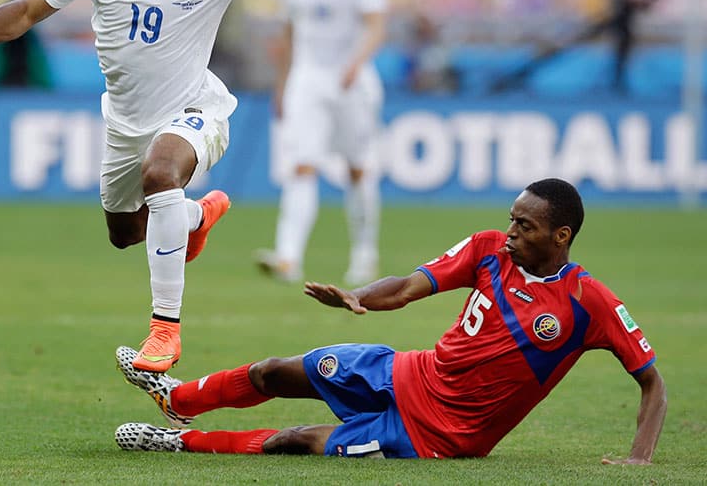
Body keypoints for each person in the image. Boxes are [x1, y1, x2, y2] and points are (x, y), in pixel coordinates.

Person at [0, 0, 412, 373]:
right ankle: (198, 215)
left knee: (161, 175)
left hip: (195, 109)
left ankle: (164, 331)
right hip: (124, 122)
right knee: (125, 233)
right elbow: (27, 10)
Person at [113, 178, 667, 463]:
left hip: (438, 434)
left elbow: (652, 383)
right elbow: (405, 287)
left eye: (525, 225)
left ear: (561, 236)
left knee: (298, 439)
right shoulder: (488, 249)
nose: (512, 232)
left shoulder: (587, 301)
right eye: (512, 220)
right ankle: (176, 399)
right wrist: (357, 296)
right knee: (274, 371)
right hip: (404, 371)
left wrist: (640, 459)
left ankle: (178, 443)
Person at [254, 0, 388, 285]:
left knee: (358, 167)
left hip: (352, 80)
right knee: (301, 164)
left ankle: (365, 253)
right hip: (308, 78)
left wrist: (356, 63)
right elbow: (289, 34)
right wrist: (282, 85)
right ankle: (288, 256)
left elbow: (377, 26)